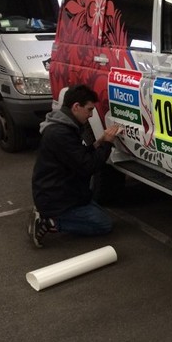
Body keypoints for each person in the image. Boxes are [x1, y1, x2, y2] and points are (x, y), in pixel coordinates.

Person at [29, 84, 121, 248]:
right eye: (89, 110)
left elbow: (78, 155)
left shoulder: (63, 125)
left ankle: (51, 214)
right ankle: (50, 222)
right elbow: (88, 166)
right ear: (76, 107)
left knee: (98, 213)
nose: (91, 114)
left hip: (62, 192)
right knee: (104, 224)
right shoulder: (60, 134)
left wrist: (97, 143)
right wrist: (107, 144)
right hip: (57, 198)